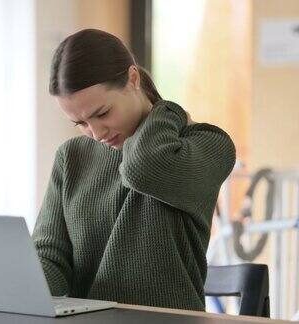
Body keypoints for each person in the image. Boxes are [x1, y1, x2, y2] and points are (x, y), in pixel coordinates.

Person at [32, 29, 236, 311]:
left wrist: (166, 110)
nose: (95, 132)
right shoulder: (71, 156)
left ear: (133, 79)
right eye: (79, 123)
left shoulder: (207, 144)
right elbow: (50, 258)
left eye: (102, 113)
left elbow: (146, 168)